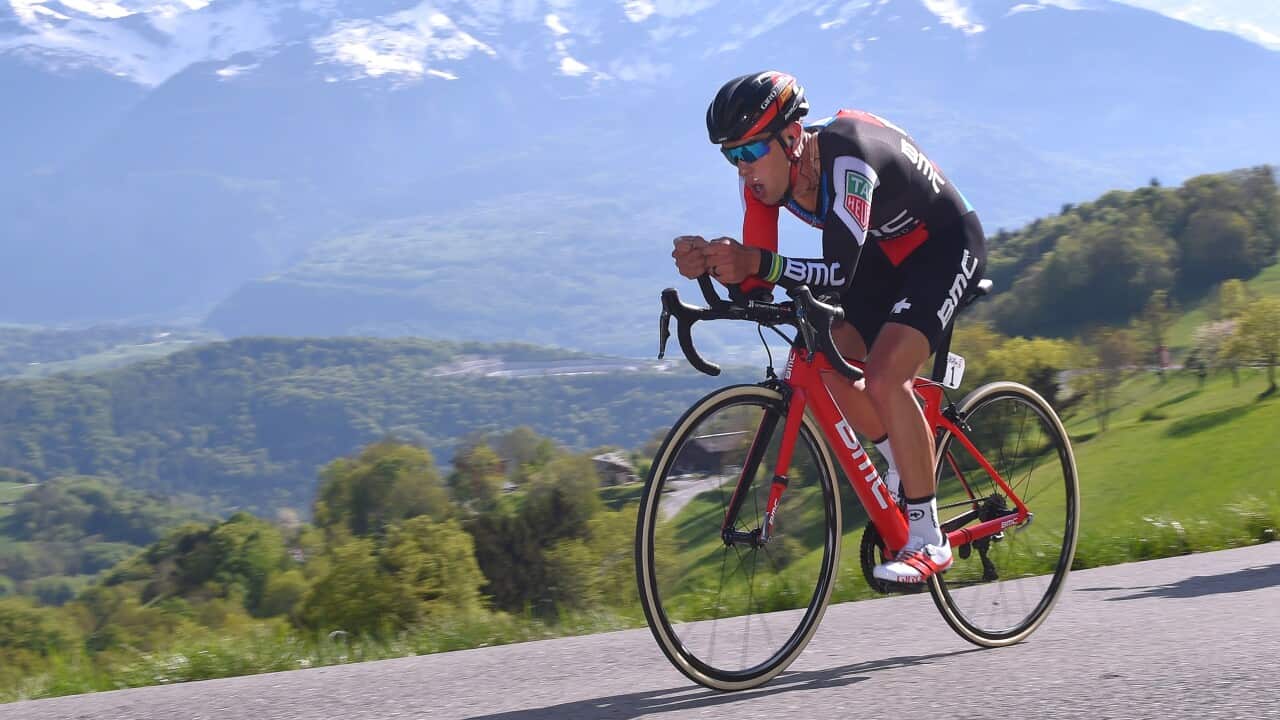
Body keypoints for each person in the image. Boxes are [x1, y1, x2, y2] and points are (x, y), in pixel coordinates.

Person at [671, 71, 987, 584]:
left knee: (886, 375)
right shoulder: (763, 188)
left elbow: (835, 270)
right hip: (881, 257)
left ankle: (929, 538)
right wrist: (714, 264)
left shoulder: (848, 158)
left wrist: (755, 261)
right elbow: (758, 283)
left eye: (749, 152)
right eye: (731, 157)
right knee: (825, 357)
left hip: (945, 244)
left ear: (792, 139)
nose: (742, 169)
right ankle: (901, 462)